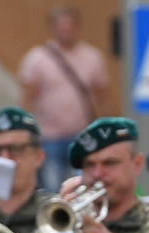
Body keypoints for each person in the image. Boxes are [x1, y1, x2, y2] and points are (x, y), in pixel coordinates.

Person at [20, 5, 114, 191]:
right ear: (52, 28)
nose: (66, 30)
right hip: (49, 137)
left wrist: (108, 130)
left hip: (81, 135)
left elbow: (104, 96)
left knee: (83, 188)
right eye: (61, 26)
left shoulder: (92, 57)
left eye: (69, 25)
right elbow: (28, 99)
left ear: (77, 27)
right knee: (53, 190)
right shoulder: (37, 59)